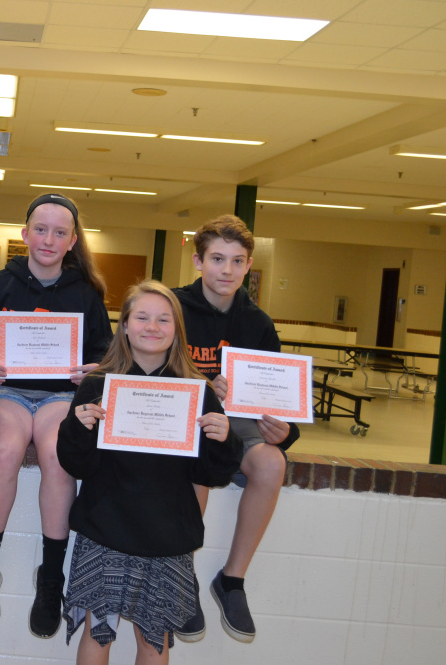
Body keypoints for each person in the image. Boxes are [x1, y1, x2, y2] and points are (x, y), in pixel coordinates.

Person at [57, 280, 243, 665]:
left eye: (164, 319)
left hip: (167, 535)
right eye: (141, 317)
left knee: (153, 641)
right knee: (97, 633)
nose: (152, 327)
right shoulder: (97, 385)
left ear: (177, 330)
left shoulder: (197, 392)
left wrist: (224, 440)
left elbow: (211, 472)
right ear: (124, 324)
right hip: (104, 527)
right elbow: (76, 464)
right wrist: (78, 428)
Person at [0, 193, 113, 638]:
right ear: (25, 234)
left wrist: (94, 371)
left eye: (60, 232)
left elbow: (106, 357)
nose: (49, 239)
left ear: (72, 241)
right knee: (7, 449)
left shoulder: (87, 293)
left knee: (55, 452)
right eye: (41, 229)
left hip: (57, 398)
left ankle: (51, 578)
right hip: (7, 392)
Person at [172, 214, 300, 644]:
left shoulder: (259, 323)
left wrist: (286, 431)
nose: (226, 270)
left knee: (270, 462)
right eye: (217, 259)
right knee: (201, 446)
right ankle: (183, 574)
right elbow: (142, 372)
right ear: (198, 261)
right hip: (185, 418)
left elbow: (280, 396)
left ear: (248, 266)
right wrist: (198, 385)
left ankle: (231, 580)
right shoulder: (171, 308)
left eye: (237, 260)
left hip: (241, 422)